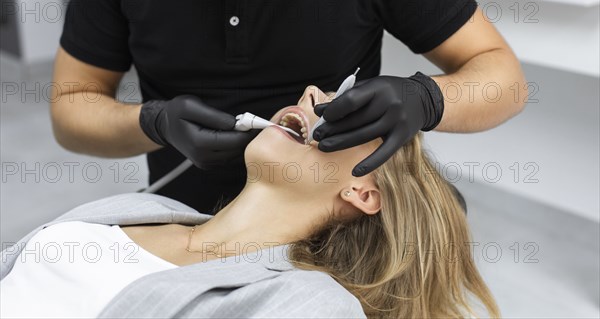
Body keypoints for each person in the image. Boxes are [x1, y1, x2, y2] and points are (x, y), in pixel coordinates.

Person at [50, 0, 527, 213]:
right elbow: (71, 111)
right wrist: (151, 123)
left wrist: (428, 99)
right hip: (185, 206)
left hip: (330, 221)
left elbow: (504, 78)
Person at [2, 86, 499, 318]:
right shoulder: (148, 210)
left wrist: (430, 96)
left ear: (364, 192)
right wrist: (150, 121)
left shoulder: (311, 306)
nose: (311, 93)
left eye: (353, 115)